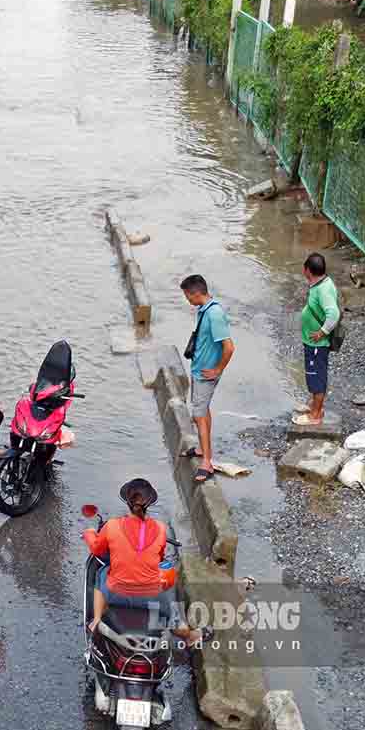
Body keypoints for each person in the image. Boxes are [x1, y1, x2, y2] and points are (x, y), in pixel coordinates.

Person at [82, 479, 209, 645]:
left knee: (101, 573)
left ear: (127, 502)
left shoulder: (111, 526)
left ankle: (97, 619)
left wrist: (89, 533)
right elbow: (160, 558)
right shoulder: (160, 529)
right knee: (168, 578)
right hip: (152, 597)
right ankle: (187, 634)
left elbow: (97, 550)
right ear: (148, 504)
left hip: (115, 594)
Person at [179, 274, 234, 482]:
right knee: (203, 411)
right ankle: (203, 449)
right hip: (199, 371)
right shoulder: (205, 310)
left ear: (195, 293)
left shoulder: (214, 314)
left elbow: (229, 347)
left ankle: (207, 462)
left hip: (206, 374)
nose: (187, 300)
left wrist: (217, 369)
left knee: (199, 415)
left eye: (187, 296)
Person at [294, 252, 341, 426]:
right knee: (314, 376)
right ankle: (314, 406)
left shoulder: (323, 289)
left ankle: (315, 415)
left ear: (307, 270)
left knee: (317, 378)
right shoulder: (321, 283)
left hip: (317, 344)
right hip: (313, 343)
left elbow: (333, 313)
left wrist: (322, 332)